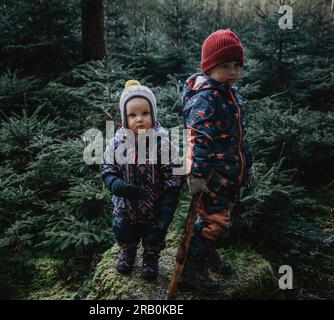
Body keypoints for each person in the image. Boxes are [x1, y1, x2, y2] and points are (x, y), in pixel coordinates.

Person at [181, 29, 255, 292]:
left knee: (222, 217)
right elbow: (198, 139)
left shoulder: (228, 93)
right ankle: (192, 268)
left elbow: (238, 138)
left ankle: (207, 253)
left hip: (229, 175)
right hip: (211, 177)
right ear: (210, 67)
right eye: (225, 65)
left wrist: (248, 168)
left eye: (237, 65)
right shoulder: (206, 98)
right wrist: (197, 175)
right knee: (214, 222)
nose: (233, 71)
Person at [101, 80, 183, 281]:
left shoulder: (162, 142)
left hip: (153, 204)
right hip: (125, 206)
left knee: (153, 234)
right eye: (132, 115)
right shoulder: (116, 142)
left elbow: (174, 172)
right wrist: (113, 182)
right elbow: (107, 166)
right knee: (123, 230)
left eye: (145, 113)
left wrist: (168, 201)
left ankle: (150, 257)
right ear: (124, 118)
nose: (139, 119)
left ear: (153, 115)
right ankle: (128, 252)